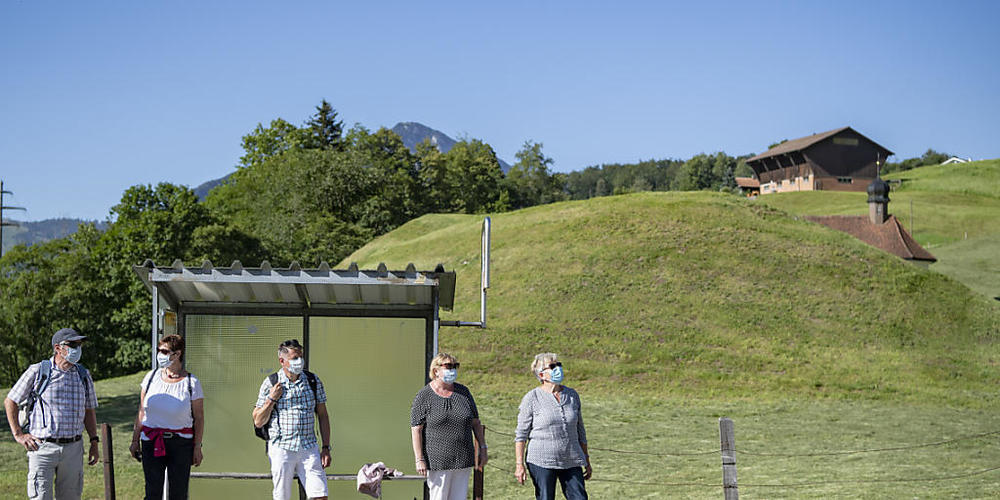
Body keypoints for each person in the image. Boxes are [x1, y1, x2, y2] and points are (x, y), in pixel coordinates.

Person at [3, 328, 100, 500]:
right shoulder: (37, 371)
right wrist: (18, 435)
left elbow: (89, 410)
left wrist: (94, 441)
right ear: (57, 348)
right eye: (72, 345)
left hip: (73, 449)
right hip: (42, 448)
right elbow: (10, 401)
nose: (77, 349)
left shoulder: (83, 375)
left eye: (79, 345)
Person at [252, 339, 332, 500]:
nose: (299, 361)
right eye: (295, 358)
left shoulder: (313, 380)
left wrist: (325, 447)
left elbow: (323, 415)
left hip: (309, 446)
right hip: (281, 447)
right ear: (282, 361)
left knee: (320, 495)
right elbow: (258, 421)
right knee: (282, 496)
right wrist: (271, 399)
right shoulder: (271, 383)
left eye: (301, 357)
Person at [128, 334, 205, 500]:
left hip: (181, 443)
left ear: (177, 354)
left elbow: (199, 418)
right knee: (152, 492)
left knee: (178, 493)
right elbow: (142, 411)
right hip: (151, 441)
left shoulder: (191, 382)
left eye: (164, 351)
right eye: (159, 350)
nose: (159, 355)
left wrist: (197, 447)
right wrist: (135, 440)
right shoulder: (151, 377)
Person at [410, 353, 488, 500]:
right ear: (436, 370)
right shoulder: (424, 396)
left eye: (455, 366)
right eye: (448, 366)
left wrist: (483, 448)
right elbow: (416, 429)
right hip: (438, 462)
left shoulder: (463, 392)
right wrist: (419, 459)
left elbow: (476, 423)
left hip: (463, 460)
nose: (452, 370)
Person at [514, 352, 592, 500]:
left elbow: (580, 430)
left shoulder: (572, 395)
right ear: (541, 375)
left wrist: (586, 459)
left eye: (558, 364)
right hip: (541, 460)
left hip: (571, 459)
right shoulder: (532, 398)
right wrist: (519, 465)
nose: (557, 368)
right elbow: (521, 435)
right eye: (552, 366)